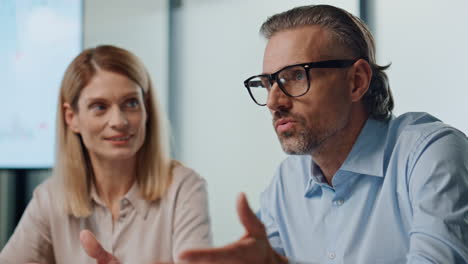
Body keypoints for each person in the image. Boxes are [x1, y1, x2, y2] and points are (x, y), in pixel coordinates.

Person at [178, 4, 468, 264]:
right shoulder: (287, 182)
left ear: (357, 81)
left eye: (296, 76)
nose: (273, 102)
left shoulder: (429, 154)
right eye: (268, 83)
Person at [0, 45, 212, 264]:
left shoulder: (183, 188)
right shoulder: (49, 198)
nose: (119, 121)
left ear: (146, 108)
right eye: (100, 107)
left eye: (131, 103)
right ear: (71, 117)